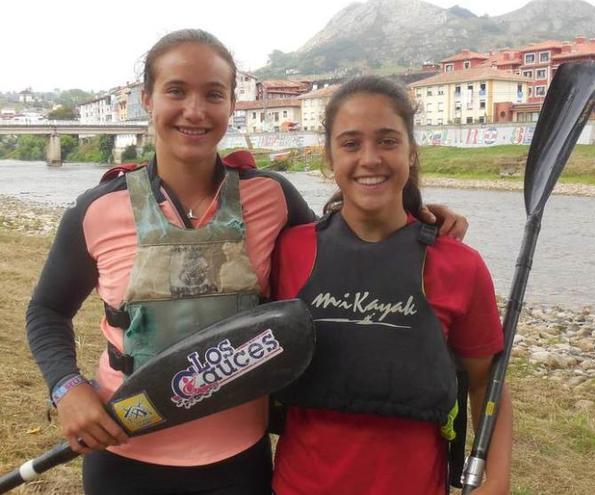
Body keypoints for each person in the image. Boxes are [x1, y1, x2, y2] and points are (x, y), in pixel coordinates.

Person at [26, 30, 467, 495]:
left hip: (238, 461)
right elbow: (46, 311)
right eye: (176, 90)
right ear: (146, 99)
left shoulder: (272, 195)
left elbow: (342, 245)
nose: (195, 110)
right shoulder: (96, 210)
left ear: (232, 104)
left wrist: (416, 215)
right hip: (122, 451)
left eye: (213, 94)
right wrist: (65, 387)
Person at [269, 76, 513, 495]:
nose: (370, 158)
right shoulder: (289, 249)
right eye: (350, 144)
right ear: (328, 157)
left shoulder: (460, 265)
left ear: (411, 152)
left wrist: (498, 478)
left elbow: (485, 381)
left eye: (387, 141)